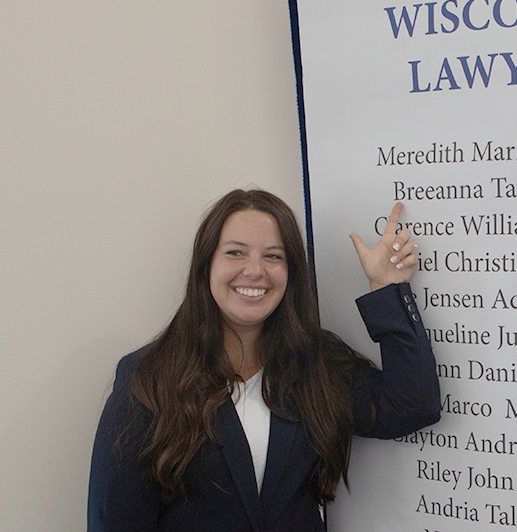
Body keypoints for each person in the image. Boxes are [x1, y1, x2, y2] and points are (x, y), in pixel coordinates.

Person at [88, 190, 440, 531]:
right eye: (236, 253)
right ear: (205, 265)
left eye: (273, 256)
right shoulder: (148, 378)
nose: (255, 270)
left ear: (291, 273)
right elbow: (117, 521)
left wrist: (387, 289)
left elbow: (411, 405)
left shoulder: (317, 362)